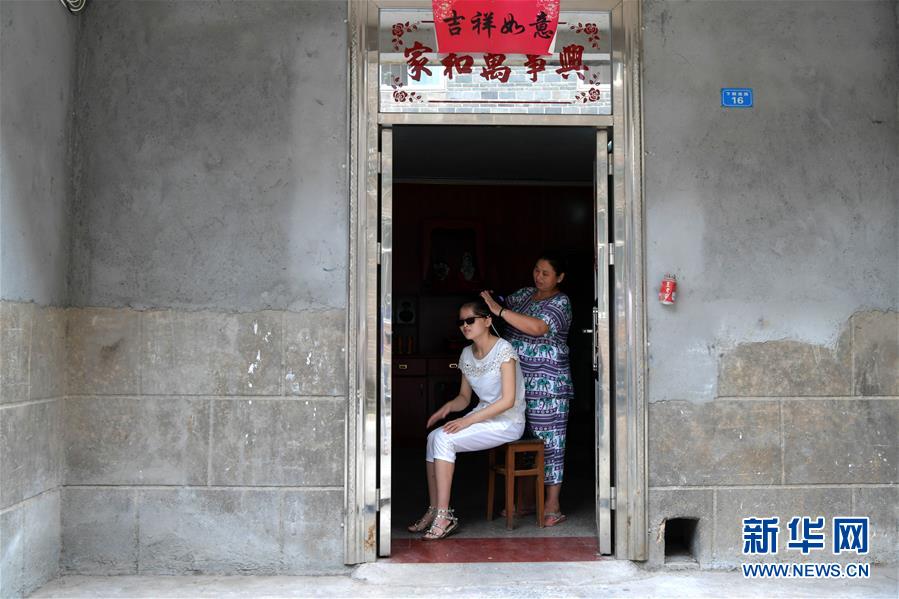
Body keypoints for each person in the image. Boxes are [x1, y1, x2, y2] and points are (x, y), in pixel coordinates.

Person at [407, 299, 526, 540]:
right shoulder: (466, 353)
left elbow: (508, 401)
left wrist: (467, 421)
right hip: (481, 416)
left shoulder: (504, 350)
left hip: (507, 421)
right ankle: (434, 510)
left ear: (488, 321)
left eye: (470, 320)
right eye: (461, 322)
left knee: (444, 439)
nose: (465, 326)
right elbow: (464, 397)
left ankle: (445, 516)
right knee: (433, 437)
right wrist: (447, 408)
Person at [481, 254, 573, 527]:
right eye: (536, 270)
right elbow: (500, 302)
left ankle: (552, 505)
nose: (539, 276)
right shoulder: (523, 295)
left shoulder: (561, 302)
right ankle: (525, 501)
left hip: (549, 387)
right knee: (521, 440)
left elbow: (537, 327)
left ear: (559, 277)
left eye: (546, 273)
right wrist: (491, 299)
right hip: (517, 385)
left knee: (551, 444)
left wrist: (499, 310)